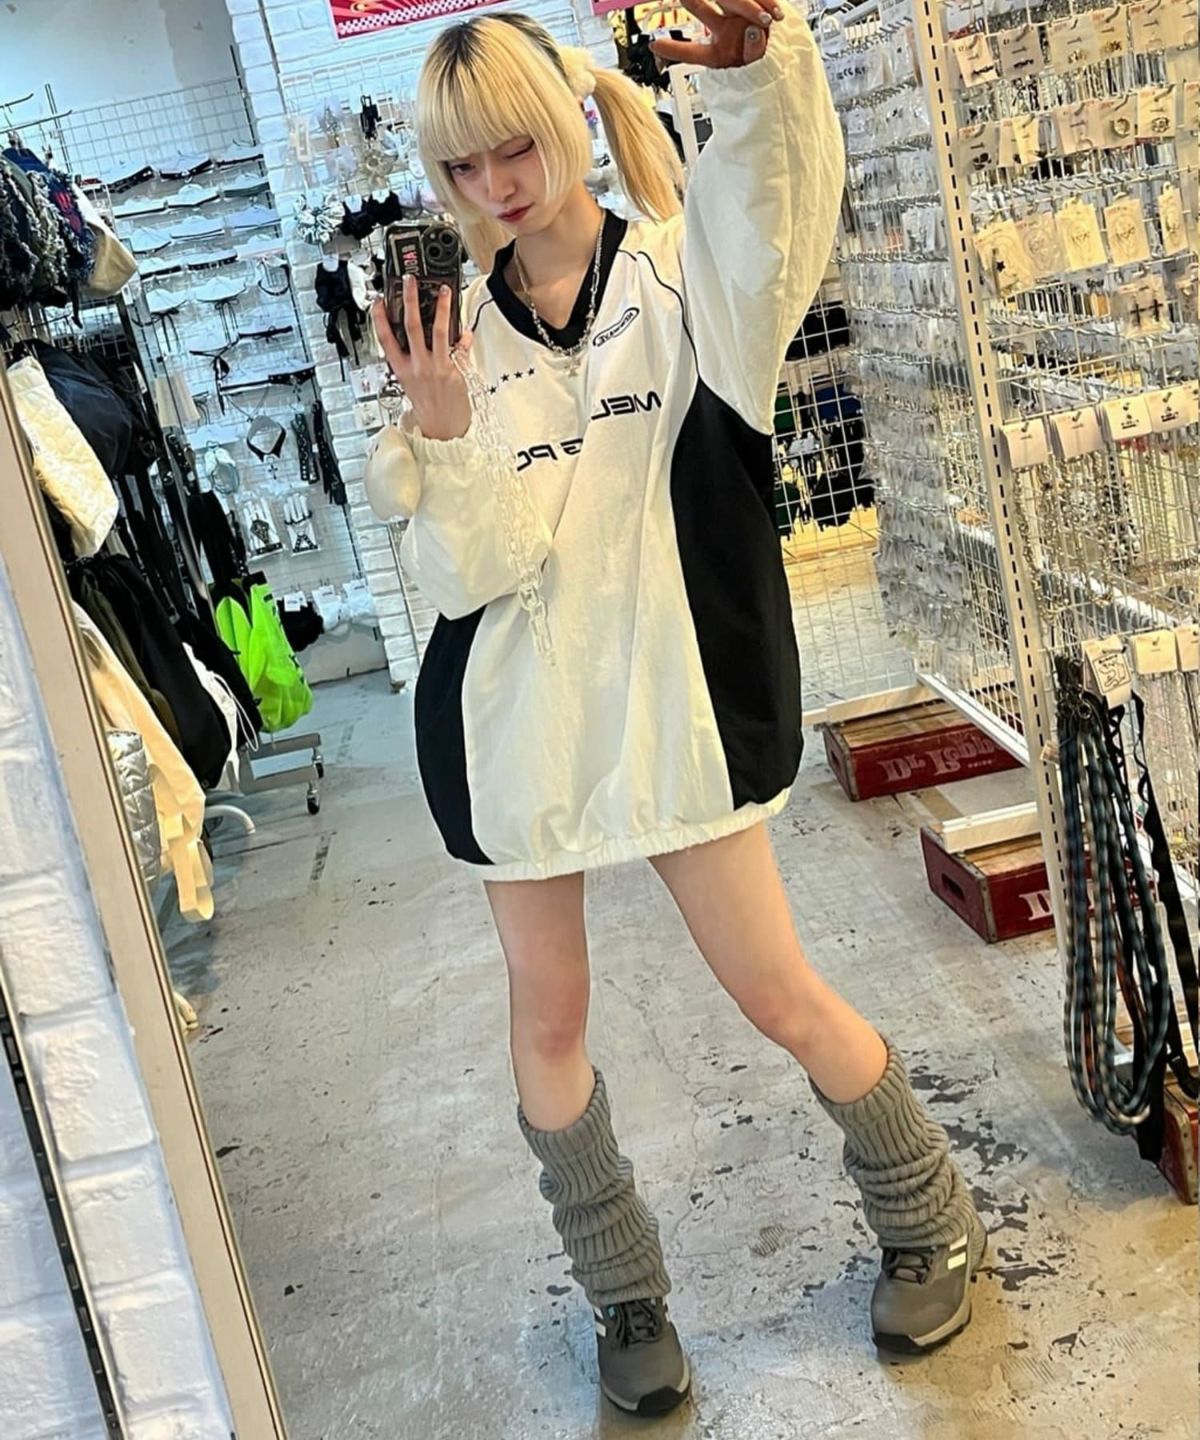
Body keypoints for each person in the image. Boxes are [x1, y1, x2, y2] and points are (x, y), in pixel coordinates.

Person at [366, 1, 988, 1418]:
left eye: (514, 148)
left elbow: (777, 212)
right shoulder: (452, 339)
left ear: (568, 119)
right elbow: (466, 577)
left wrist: (764, 82)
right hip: (517, 731)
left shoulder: (684, 274)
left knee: (775, 988)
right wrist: (443, 427)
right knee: (549, 1018)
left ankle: (927, 1212)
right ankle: (625, 1298)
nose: (493, 187)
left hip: (677, 706)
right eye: (460, 167)